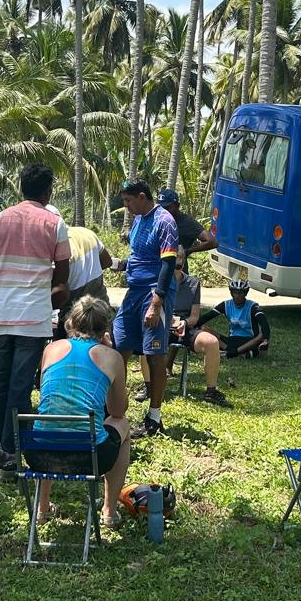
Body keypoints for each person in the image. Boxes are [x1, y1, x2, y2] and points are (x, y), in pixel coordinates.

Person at [0, 165, 70, 456]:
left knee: (3, 383)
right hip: (34, 315)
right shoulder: (54, 223)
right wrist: (40, 287)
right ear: (47, 191)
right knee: (20, 386)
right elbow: (63, 274)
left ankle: (5, 444)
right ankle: (11, 448)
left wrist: (2, 285)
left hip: (1, 313)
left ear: (21, 188)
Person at [30, 296, 131, 528]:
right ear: (106, 328)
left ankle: (42, 507)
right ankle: (109, 510)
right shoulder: (112, 357)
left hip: (40, 453)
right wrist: (110, 352)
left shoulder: (50, 349)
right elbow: (117, 410)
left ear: (70, 323)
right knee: (122, 424)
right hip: (90, 455)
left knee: (51, 422)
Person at [115, 178, 179, 438]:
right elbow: (137, 256)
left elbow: (168, 264)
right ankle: (114, 409)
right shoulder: (139, 220)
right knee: (119, 346)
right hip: (134, 291)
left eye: (129, 201)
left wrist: (157, 302)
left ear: (142, 196)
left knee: (155, 354)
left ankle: (154, 416)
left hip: (154, 293)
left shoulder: (165, 221)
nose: (127, 206)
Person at [180, 277, 270, 408]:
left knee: (260, 338)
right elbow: (207, 317)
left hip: (250, 340)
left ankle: (234, 353)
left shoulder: (253, 307)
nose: (237, 296)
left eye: (240, 293)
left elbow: (265, 326)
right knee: (204, 329)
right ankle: (240, 353)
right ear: (231, 292)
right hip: (232, 341)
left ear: (246, 293)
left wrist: (265, 340)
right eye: (234, 292)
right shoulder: (226, 305)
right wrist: (189, 325)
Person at [51, 205, 113, 302]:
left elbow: (60, 290)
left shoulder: (56, 245)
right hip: (101, 304)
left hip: (74, 309)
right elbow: (107, 262)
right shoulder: (86, 232)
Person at [158, 187, 215, 256]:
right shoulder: (158, 218)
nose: (164, 211)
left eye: (167, 208)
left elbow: (212, 242)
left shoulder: (187, 222)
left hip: (176, 265)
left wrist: (188, 250)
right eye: (161, 208)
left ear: (177, 206)